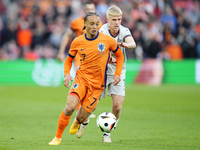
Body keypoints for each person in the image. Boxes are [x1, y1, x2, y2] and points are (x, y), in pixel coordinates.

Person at [49, 12, 124, 145]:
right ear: (85, 24)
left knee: (82, 117)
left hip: (97, 86)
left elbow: (119, 56)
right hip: (81, 79)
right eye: (92, 24)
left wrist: (117, 73)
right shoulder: (77, 41)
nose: (95, 27)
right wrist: (67, 74)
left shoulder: (107, 40)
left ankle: (78, 121)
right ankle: (57, 138)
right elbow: (68, 60)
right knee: (69, 107)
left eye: (97, 24)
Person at [76, 5, 136, 143]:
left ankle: (107, 134)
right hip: (101, 71)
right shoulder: (102, 31)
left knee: (117, 106)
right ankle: (84, 122)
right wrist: (109, 58)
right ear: (107, 20)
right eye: (114, 19)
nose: (117, 22)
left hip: (118, 71)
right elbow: (98, 51)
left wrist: (126, 45)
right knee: (93, 104)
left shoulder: (124, 30)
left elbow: (132, 43)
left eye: (119, 19)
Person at [57, 1, 102, 119]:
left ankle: (84, 108)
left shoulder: (99, 24)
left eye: (92, 9)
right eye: (87, 9)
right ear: (84, 10)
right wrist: (61, 51)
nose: (90, 11)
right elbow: (67, 35)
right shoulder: (77, 22)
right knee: (81, 80)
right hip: (80, 57)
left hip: (94, 59)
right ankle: (79, 109)